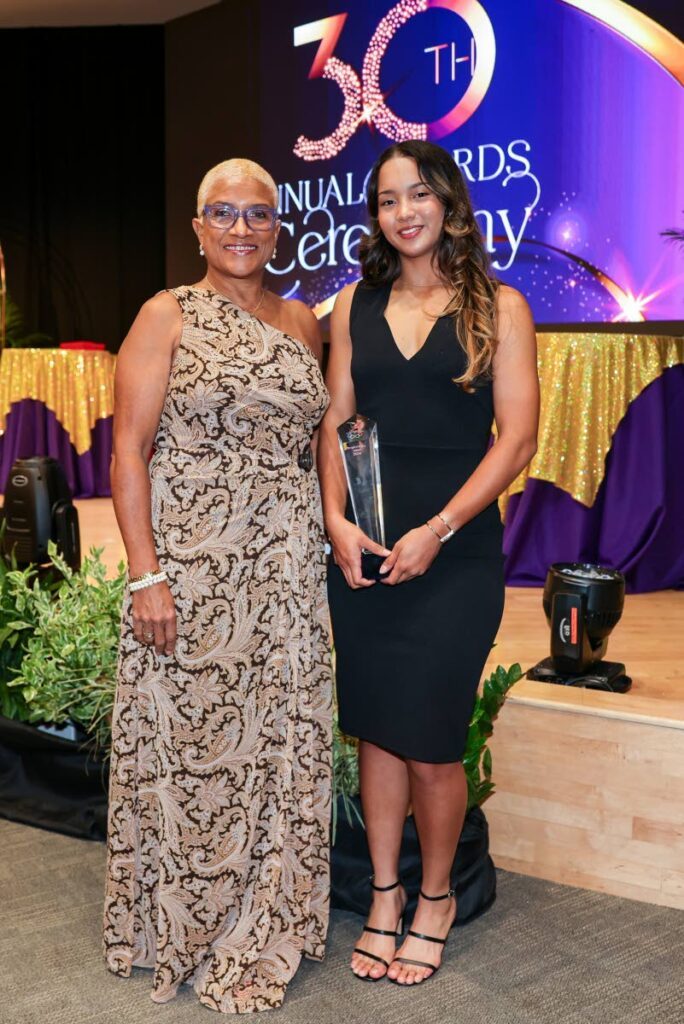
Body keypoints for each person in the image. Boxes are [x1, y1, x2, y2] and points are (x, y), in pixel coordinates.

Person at [103, 159, 332, 1014]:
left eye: (258, 214)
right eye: (223, 213)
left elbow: (320, 446)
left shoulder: (304, 323)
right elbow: (129, 450)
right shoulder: (167, 314)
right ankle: (185, 926)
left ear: (278, 228)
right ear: (197, 228)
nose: (242, 228)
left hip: (285, 579)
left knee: (277, 749)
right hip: (191, 575)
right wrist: (145, 573)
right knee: (195, 753)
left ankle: (265, 912)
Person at [319, 140, 538, 986]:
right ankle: (382, 895)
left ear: (447, 201)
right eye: (385, 199)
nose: (403, 211)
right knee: (378, 726)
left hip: (455, 549)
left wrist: (439, 529)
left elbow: (515, 439)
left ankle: (436, 897)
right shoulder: (351, 305)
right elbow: (336, 420)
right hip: (367, 545)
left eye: (417, 193)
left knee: (433, 739)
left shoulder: (500, 307)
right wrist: (334, 517)